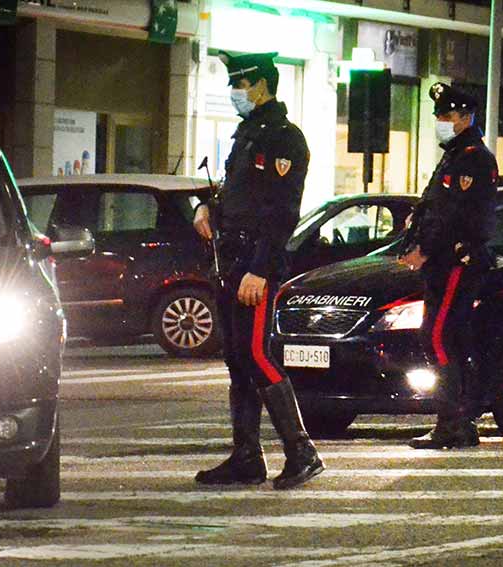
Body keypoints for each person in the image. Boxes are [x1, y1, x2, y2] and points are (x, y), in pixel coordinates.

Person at [192, 51, 324, 489]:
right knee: (236, 359)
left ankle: (301, 450)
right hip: (232, 260)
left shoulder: (283, 139)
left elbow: (282, 212)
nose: (235, 92)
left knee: (256, 354)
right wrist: (206, 207)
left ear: (263, 86)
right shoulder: (247, 135)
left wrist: (261, 269)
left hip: (255, 265)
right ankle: (247, 455)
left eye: (241, 84)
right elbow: (238, 197)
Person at [399, 82, 498, 449]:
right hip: (443, 261)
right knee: (446, 338)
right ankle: (457, 419)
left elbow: (454, 216)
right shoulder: (455, 155)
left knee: (438, 337)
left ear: (465, 117)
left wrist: (425, 248)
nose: (440, 121)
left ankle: (453, 420)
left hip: (456, 260)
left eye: (446, 115)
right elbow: (433, 207)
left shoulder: (473, 157)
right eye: (438, 115)